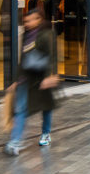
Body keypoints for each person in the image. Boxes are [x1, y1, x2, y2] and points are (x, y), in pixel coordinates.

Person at [5, 9, 60, 156]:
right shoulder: (25, 34)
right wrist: (16, 80)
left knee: (46, 107)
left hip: (43, 77)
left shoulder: (47, 34)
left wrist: (50, 76)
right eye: (26, 21)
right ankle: (15, 141)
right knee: (20, 109)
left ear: (39, 19)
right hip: (27, 78)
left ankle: (46, 133)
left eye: (31, 20)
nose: (27, 24)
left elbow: (53, 56)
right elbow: (22, 58)